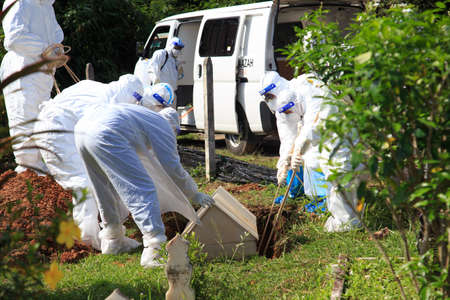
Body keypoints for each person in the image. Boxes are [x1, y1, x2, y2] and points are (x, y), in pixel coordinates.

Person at [74, 103, 214, 268]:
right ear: (174, 127)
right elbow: (172, 167)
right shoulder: (163, 127)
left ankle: (113, 241)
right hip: (106, 132)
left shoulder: (146, 117)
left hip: (82, 131)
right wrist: (193, 194)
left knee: (104, 188)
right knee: (141, 189)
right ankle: (154, 250)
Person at [34, 74, 144, 250]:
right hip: (55, 134)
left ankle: (103, 233)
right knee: (83, 184)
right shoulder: (105, 104)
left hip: (60, 130)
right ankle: (86, 240)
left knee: (92, 179)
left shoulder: (95, 87)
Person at [0, 0, 64, 173]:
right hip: (23, 69)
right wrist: (44, 48)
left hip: (43, 72)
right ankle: (28, 170)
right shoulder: (20, 2)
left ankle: (39, 168)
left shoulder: (46, 6)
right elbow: (15, 37)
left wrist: (57, 50)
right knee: (24, 117)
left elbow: (56, 32)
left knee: (42, 119)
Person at [134, 37, 185, 105]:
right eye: (176, 47)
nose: (178, 50)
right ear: (170, 46)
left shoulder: (174, 60)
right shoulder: (161, 54)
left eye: (180, 48)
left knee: (169, 113)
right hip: (161, 93)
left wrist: (180, 68)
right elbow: (152, 69)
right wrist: (157, 87)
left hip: (171, 94)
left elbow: (177, 77)